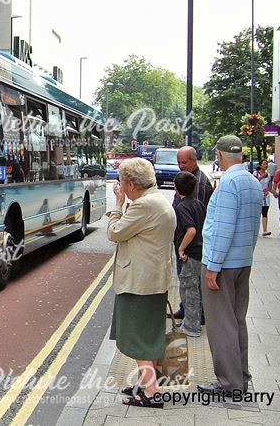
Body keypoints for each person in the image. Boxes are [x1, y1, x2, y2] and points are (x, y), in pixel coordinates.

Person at [105, 158, 177, 409]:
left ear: (132, 184)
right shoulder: (157, 201)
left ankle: (152, 392)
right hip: (153, 279)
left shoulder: (143, 206)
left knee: (139, 338)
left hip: (139, 282)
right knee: (149, 334)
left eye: (123, 183)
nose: (121, 187)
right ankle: (149, 383)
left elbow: (114, 232)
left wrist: (117, 204)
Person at [197, 135, 261, 398]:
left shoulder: (227, 185)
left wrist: (213, 266)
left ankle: (228, 383)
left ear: (220, 155)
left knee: (221, 325)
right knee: (237, 321)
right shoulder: (252, 182)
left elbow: (222, 230)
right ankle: (241, 376)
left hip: (222, 265)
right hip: (243, 261)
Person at [172, 171, 205, 337]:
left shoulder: (181, 207)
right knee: (197, 289)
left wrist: (180, 249)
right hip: (201, 253)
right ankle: (193, 322)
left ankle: (192, 327)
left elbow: (190, 230)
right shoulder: (199, 204)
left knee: (189, 290)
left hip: (190, 254)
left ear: (176, 189)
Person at [254, 160, 272, 237]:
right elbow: (254, 183)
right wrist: (261, 177)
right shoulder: (255, 173)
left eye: (266, 164)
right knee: (256, 214)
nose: (266, 165)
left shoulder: (269, 175)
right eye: (264, 164)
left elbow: (269, 186)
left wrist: (274, 192)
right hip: (257, 195)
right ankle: (254, 230)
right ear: (260, 165)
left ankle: (265, 230)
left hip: (265, 196)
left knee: (265, 212)